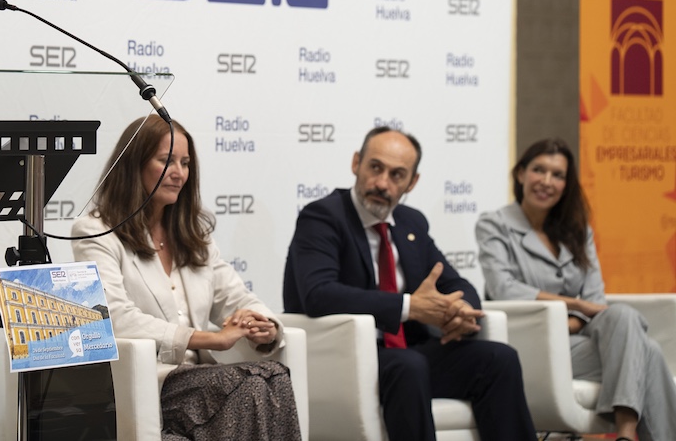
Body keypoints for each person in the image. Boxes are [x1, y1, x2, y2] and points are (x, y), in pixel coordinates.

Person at [283, 126, 536, 440]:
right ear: (356, 163)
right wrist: (409, 307)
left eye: (397, 175)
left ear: (412, 182)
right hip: (346, 357)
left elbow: (455, 283)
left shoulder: (410, 222)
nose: (382, 183)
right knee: (409, 365)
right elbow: (319, 295)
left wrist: (459, 311)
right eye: (375, 168)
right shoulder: (323, 217)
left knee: (499, 359)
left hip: (406, 354)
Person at [72, 115, 302, 441]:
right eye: (166, 161)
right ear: (134, 165)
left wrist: (263, 325)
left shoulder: (194, 236)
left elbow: (236, 297)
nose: (179, 173)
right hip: (149, 382)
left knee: (274, 376)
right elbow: (113, 317)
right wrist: (209, 338)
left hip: (203, 379)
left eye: (185, 163)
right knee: (249, 383)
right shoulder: (96, 232)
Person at [476, 137, 676, 441]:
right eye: (538, 170)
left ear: (566, 184)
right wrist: (576, 306)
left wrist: (576, 319)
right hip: (528, 343)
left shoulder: (578, 231)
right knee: (647, 351)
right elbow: (503, 288)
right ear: (521, 174)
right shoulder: (495, 224)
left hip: (576, 339)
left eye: (557, 175)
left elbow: (597, 300)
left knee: (623, 316)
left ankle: (625, 433)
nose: (547, 181)